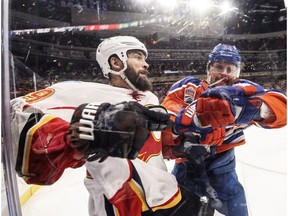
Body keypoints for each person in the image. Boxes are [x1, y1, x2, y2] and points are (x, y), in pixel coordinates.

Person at [11, 36, 201, 216]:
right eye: (137, 56)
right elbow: (13, 111)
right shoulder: (81, 92)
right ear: (116, 63)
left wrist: (178, 143)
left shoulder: (150, 97)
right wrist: (83, 133)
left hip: (169, 198)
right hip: (119, 205)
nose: (146, 64)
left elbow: (152, 146)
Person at [161, 43, 287, 216]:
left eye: (230, 69)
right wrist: (183, 125)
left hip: (224, 174)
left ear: (237, 73)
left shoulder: (242, 92)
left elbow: (282, 109)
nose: (224, 74)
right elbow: (163, 127)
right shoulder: (188, 88)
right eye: (219, 67)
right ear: (208, 69)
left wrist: (255, 109)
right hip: (186, 173)